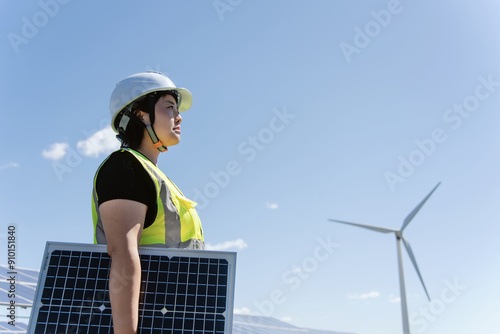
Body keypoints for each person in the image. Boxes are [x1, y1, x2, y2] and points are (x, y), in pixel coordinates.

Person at [91, 71, 205, 334]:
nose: (179, 117)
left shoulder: (152, 174)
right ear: (140, 114)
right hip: (150, 321)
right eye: (169, 107)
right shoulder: (125, 167)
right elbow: (122, 252)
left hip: (173, 318)